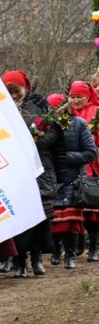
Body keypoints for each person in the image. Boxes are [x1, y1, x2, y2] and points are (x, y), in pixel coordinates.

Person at [1, 70, 59, 277]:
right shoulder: (1, 108)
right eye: (9, 93)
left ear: (24, 88)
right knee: (18, 215)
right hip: (13, 168)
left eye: (16, 91)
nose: (14, 96)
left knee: (41, 216)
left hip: (39, 165)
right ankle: (20, 261)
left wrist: (33, 143)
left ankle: (37, 258)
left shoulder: (40, 103)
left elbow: (54, 131)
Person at [47, 94, 96, 268]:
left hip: (73, 178)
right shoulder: (43, 126)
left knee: (71, 220)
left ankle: (70, 255)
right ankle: (55, 250)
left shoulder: (79, 124)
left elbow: (90, 152)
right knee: (53, 218)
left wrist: (64, 157)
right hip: (51, 179)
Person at [68, 81, 99, 261]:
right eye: (73, 97)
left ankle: (94, 246)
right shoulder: (67, 113)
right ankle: (78, 240)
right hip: (73, 164)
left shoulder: (95, 111)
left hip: (93, 162)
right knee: (76, 204)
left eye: (79, 97)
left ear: (87, 97)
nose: (76, 100)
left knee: (92, 206)